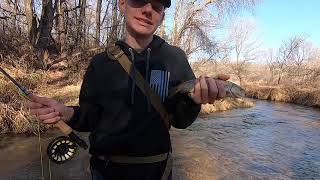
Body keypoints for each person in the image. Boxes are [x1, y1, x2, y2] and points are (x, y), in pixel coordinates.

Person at [26, 0, 228, 179]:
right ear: (122, 4)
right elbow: (90, 118)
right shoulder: (100, 63)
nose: (148, 10)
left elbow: (181, 121)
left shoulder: (175, 58)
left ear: (162, 16)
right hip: (104, 171)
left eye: (157, 5)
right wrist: (66, 113)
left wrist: (194, 101)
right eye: (140, 1)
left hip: (158, 172)